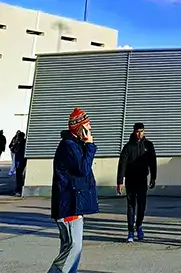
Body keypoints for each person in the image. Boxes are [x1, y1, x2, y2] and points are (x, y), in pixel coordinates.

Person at [48, 108, 98, 273]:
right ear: (80, 128)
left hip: (74, 204)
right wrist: (89, 145)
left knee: (72, 250)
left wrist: (86, 145)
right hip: (69, 205)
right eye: (88, 125)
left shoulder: (74, 145)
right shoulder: (69, 146)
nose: (90, 129)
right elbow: (83, 168)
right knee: (73, 248)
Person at [117, 122, 157, 243]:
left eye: (141, 131)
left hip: (142, 180)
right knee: (131, 206)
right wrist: (120, 182)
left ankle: (138, 225)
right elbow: (122, 164)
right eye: (137, 131)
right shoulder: (128, 146)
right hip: (130, 180)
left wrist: (153, 177)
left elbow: (153, 162)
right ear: (134, 132)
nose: (139, 134)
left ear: (144, 132)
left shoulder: (148, 145)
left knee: (142, 206)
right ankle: (130, 231)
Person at [12, 131, 26, 196]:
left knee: (20, 176)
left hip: (21, 162)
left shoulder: (24, 143)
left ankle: (19, 189)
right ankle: (18, 189)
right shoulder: (19, 143)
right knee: (19, 176)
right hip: (18, 162)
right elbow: (12, 149)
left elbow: (13, 149)